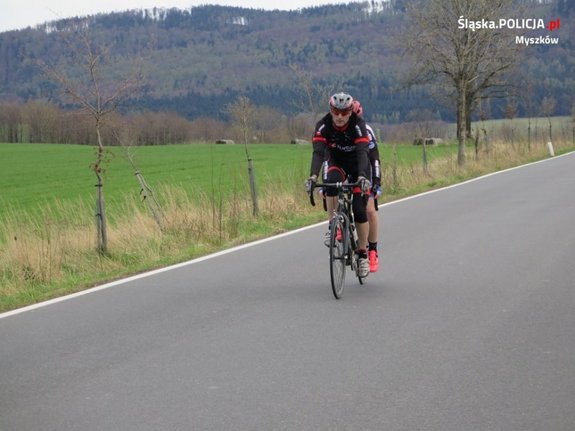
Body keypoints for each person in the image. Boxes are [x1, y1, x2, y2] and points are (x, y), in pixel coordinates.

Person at [306, 92, 372, 278]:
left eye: (345, 112)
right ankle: (332, 225)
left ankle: (362, 254)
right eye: (336, 111)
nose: (340, 116)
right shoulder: (324, 125)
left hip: (357, 166)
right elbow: (318, 153)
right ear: (331, 110)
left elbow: (362, 153)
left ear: (351, 112)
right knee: (330, 184)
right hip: (337, 162)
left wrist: (362, 177)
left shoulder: (358, 125)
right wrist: (312, 176)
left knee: (359, 211)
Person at [352, 100, 382, 273]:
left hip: (366, 172)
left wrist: (376, 183)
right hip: (348, 170)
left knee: (369, 210)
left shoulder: (366, 131)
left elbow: (374, 159)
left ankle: (372, 250)